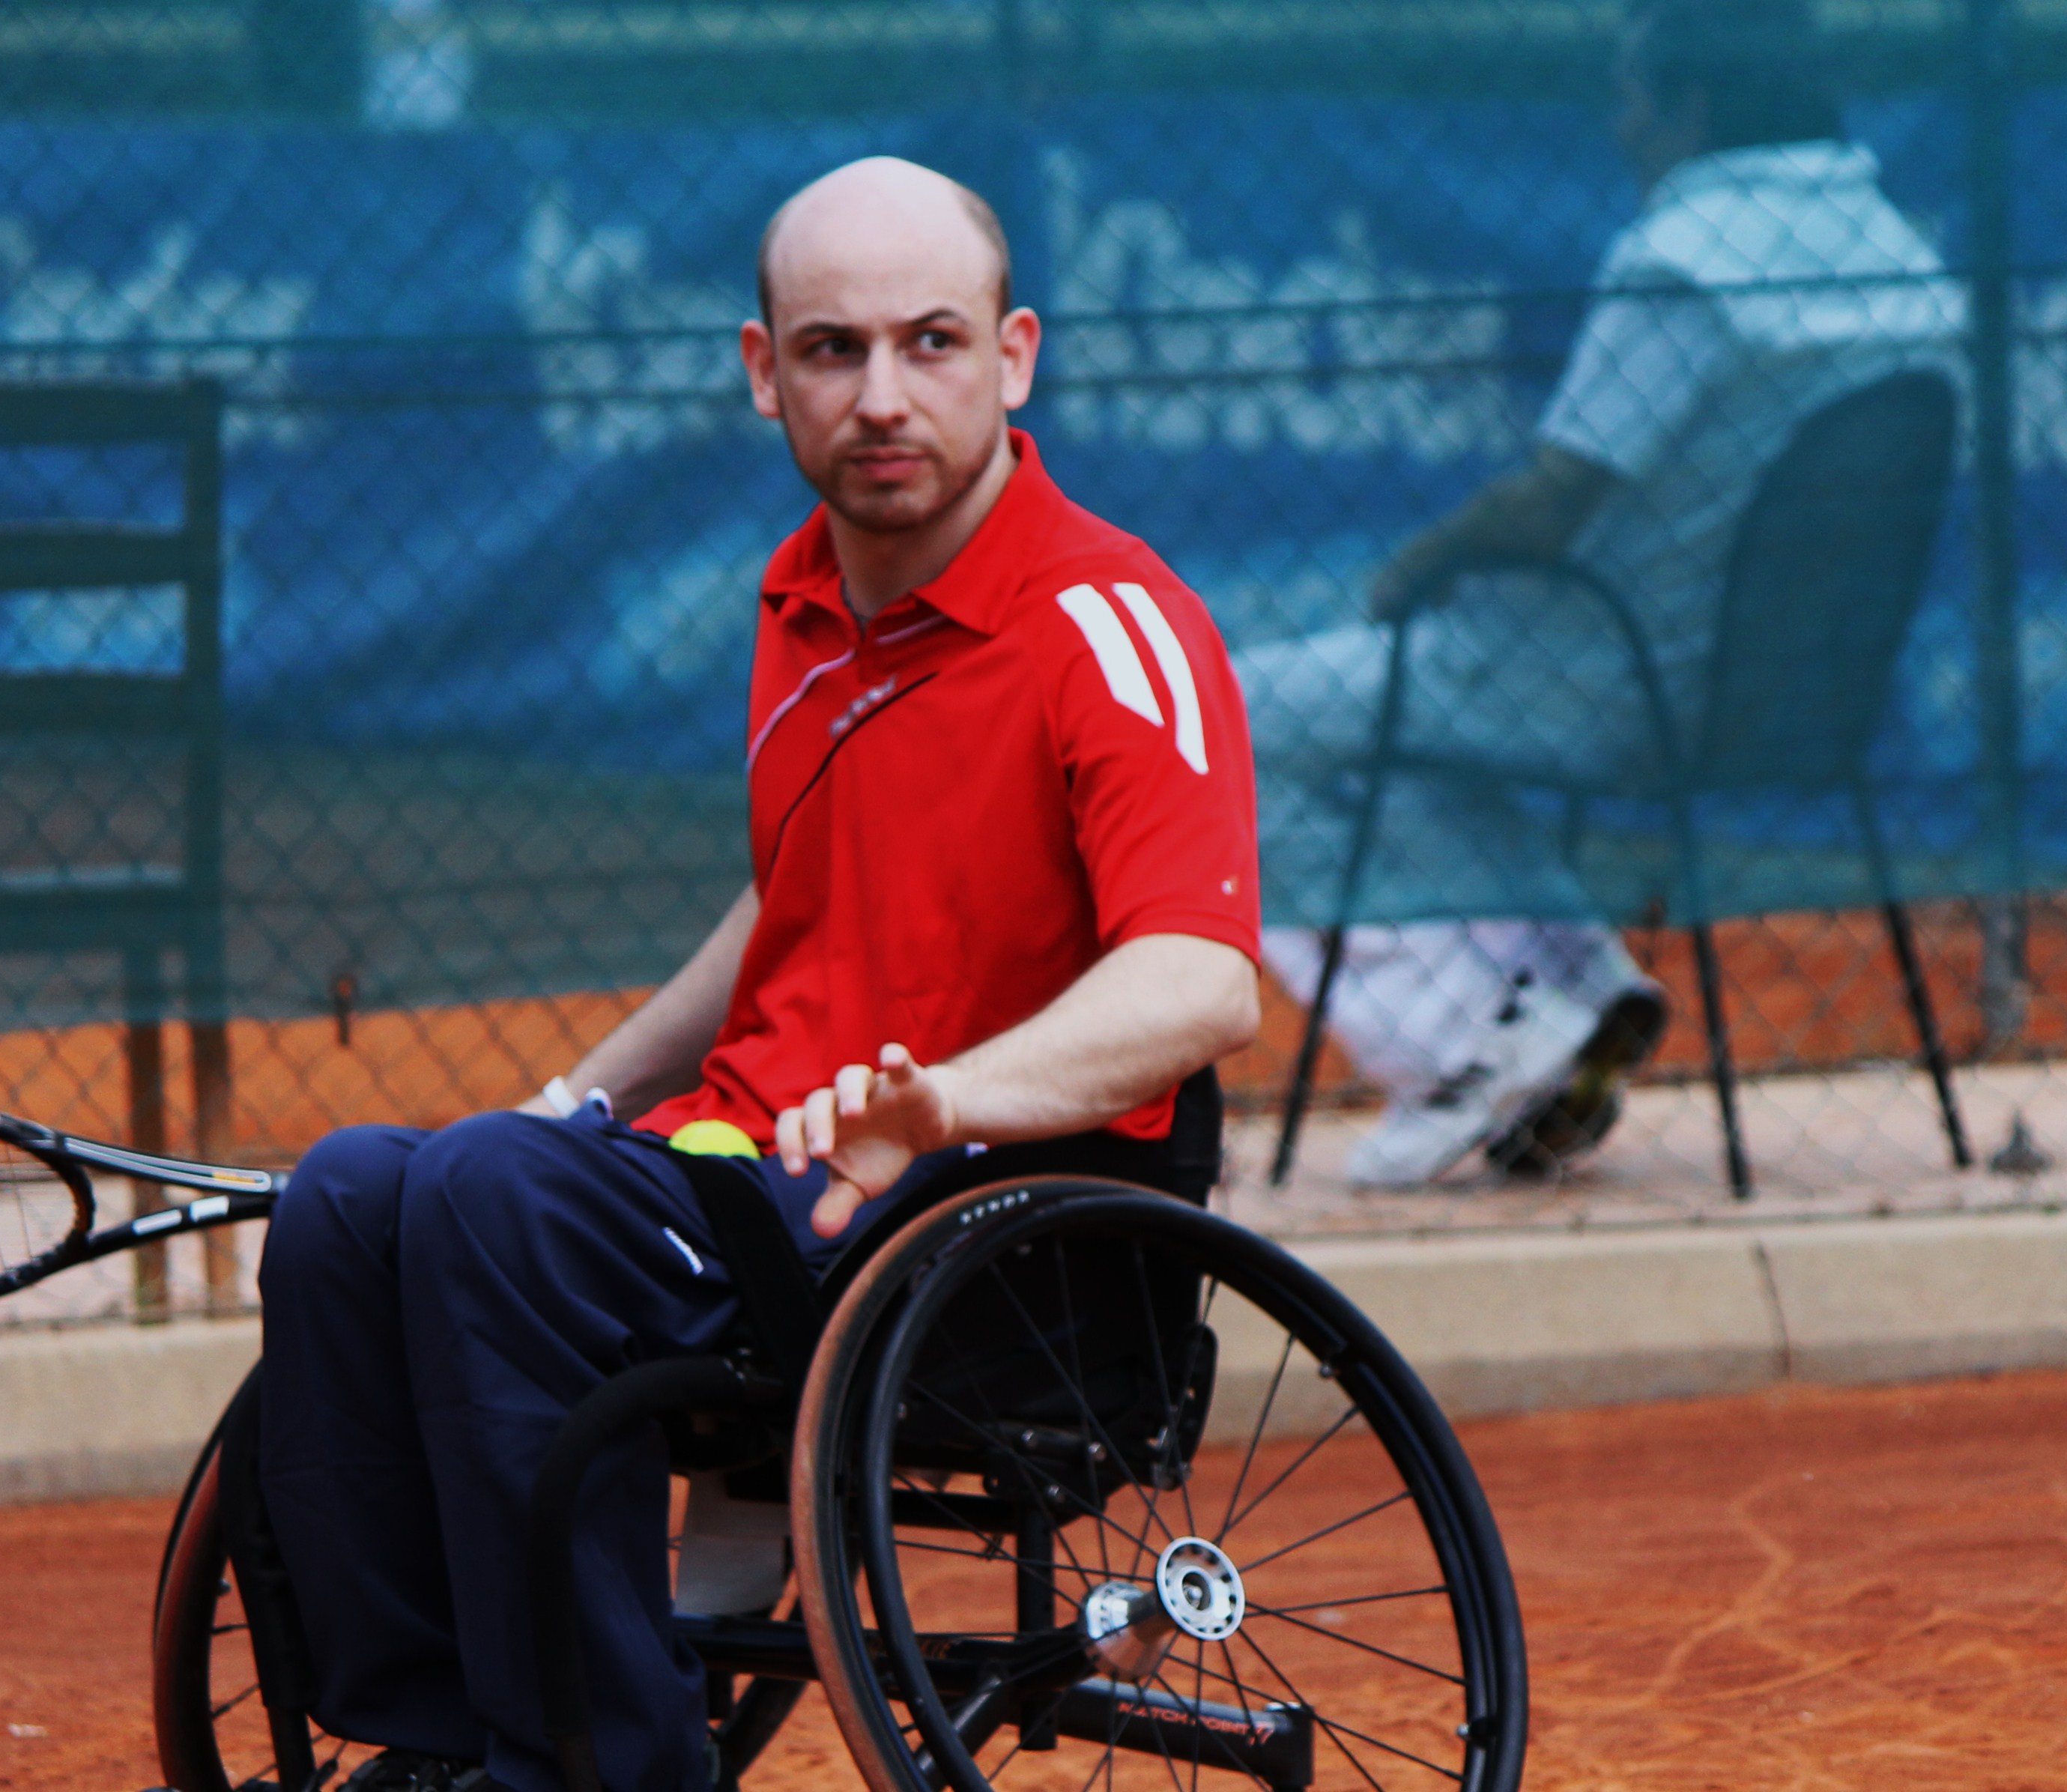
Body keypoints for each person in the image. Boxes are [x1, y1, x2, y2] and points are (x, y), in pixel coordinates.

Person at [255, 157, 1263, 1792]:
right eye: (831, 350)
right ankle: (440, 1734)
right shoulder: (805, 602)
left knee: (496, 1195)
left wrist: (948, 1100)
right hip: (749, 1185)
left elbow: (1202, 978)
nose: (882, 396)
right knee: (353, 1198)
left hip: (961, 1230)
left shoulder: (1113, 624)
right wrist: (581, 1097)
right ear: (761, 370)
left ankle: (602, 1768)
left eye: (931, 342)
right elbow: (789, 907)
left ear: (1014, 357)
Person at [1241, 0, 1960, 1188]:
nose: (1620, 127)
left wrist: (1415, 568)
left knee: (1219, 728)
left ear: (1694, 104)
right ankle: (1577, 994)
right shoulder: (1897, 254)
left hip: (1596, 682)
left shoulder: (1681, 264)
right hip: (1794, 699)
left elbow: (1551, 498)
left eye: (1632, 98)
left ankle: (1464, 1047)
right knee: (1397, 745)